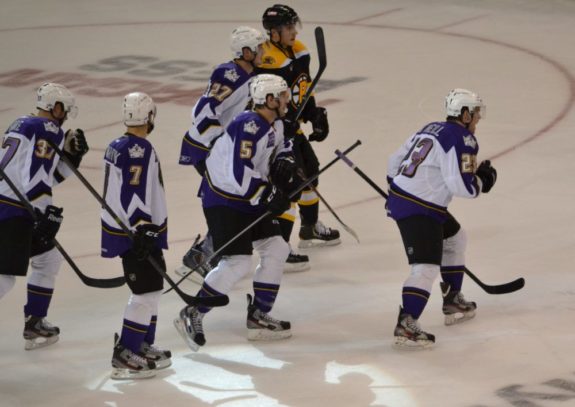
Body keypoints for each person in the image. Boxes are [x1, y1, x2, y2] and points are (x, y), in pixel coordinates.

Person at [174, 74, 297, 351]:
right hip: (224, 201)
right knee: (237, 262)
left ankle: (258, 316)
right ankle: (193, 311)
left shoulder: (273, 122)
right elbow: (239, 171)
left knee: (277, 247)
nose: (287, 100)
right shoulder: (248, 124)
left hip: (247, 200)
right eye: (283, 96)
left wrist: (285, 159)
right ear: (268, 99)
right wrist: (268, 195)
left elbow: (283, 144)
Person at [386, 88, 498, 349]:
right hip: (420, 207)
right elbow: (462, 187)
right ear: (465, 113)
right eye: (476, 113)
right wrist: (482, 181)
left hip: (415, 201)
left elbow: (394, 161)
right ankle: (407, 322)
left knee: (456, 238)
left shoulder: (430, 128)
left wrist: (396, 192)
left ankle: (452, 299)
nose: (478, 118)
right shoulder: (463, 139)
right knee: (425, 267)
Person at [0, 83, 88, 350]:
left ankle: (35, 322)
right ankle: (35, 321)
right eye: (64, 110)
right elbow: (37, 178)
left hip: (15, 203)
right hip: (13, 209)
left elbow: (46, 176)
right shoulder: (47, 128)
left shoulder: (23, 123)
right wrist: (46, 211)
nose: (64, 117)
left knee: (48, 258)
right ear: (56, 107)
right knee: (3, 275)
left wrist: (72, 158)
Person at [176, 26, 267, 282]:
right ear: (246, 51)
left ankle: (207, 253)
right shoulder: (230, 73)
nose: (263, 52)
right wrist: (219, 144)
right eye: (258, 48)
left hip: (220, 150)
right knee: (231, 199)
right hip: (208, 148)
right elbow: (203, 110)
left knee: (233, 199)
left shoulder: (250, 75)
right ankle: (201, 256)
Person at [257, 4, 340, 266]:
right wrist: (281, 119)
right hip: (276, 132)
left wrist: (314, 114)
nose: (294, 31)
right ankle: (279, 248)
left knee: (311, 172)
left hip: (293, 127)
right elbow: (264, 99)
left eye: (294, 26)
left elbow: (303, 87)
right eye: (288, 27)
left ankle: (310, 227)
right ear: (274, 32)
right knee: (289, 184)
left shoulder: (299, 50)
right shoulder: (266, 59)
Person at [101, 92, 171, 379]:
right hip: (135, 232)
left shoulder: (118, 145)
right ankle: (125, 352)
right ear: (150, 116)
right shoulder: (139, 148)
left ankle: (141, 343)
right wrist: (142, 226)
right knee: (144, 291)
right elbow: (133, 191)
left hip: (131, 229)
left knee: (152, 286)